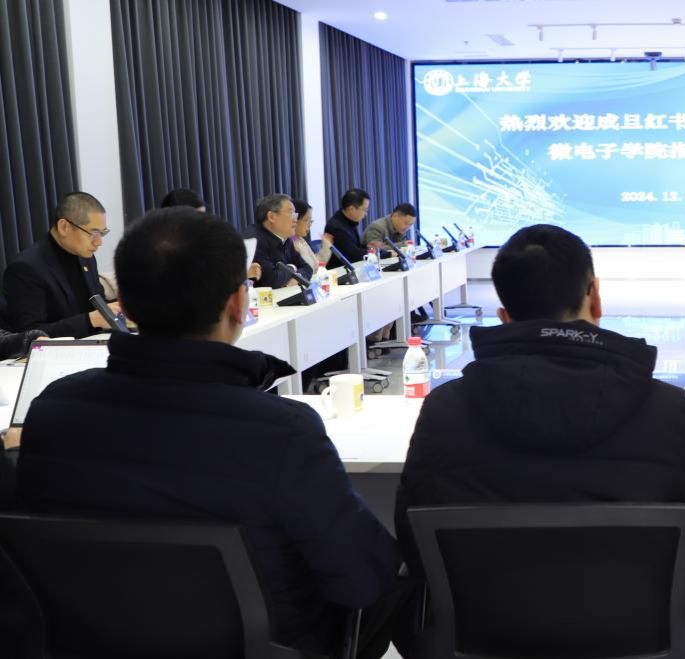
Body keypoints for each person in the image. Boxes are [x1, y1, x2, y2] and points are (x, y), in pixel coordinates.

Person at [14, 209, 403, 657]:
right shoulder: (280, 431)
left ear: (126, 307)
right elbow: (362, 577)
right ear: (238, 304)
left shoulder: (52, 411)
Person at [395, 224, 685, 577]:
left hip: (479, 615)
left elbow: (414, 543)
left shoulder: (445, 410)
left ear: (505, 318)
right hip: (632, 614)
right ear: (595, 297)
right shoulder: (668, 411)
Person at [3, 192, 118, 338]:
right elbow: (28, 333)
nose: (99, 242)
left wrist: (119, 309)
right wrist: (90, 320)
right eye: (93, 232)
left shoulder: (86, 258)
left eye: (102, 233)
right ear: (64, 227)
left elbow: (97, 304)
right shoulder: (25, 268)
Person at [248, 194, 308, 289]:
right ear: (272, 217)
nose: (295, 219)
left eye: (295, 214)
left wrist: (296, 277)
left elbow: (307, 268)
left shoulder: (285, 238)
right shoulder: (254, 240)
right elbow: (271, 281)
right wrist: (293, 268)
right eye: (291, 213)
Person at [325, 188, 371, 269]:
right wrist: (378, 253)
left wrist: (371, 248)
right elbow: (355, 255)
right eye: (364, 210)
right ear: (351, 209)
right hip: (339, 272)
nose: (366, 214)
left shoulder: (348, 221)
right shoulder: (337, 227)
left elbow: (357, 247)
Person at [291, 199, 330, 273]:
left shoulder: (300, 240)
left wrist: (326, 247)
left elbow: (316, 267)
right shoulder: (290, 244)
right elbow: (310, 269)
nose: (309, 225)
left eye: (311, 221)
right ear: (294, 220)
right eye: (306, 220)